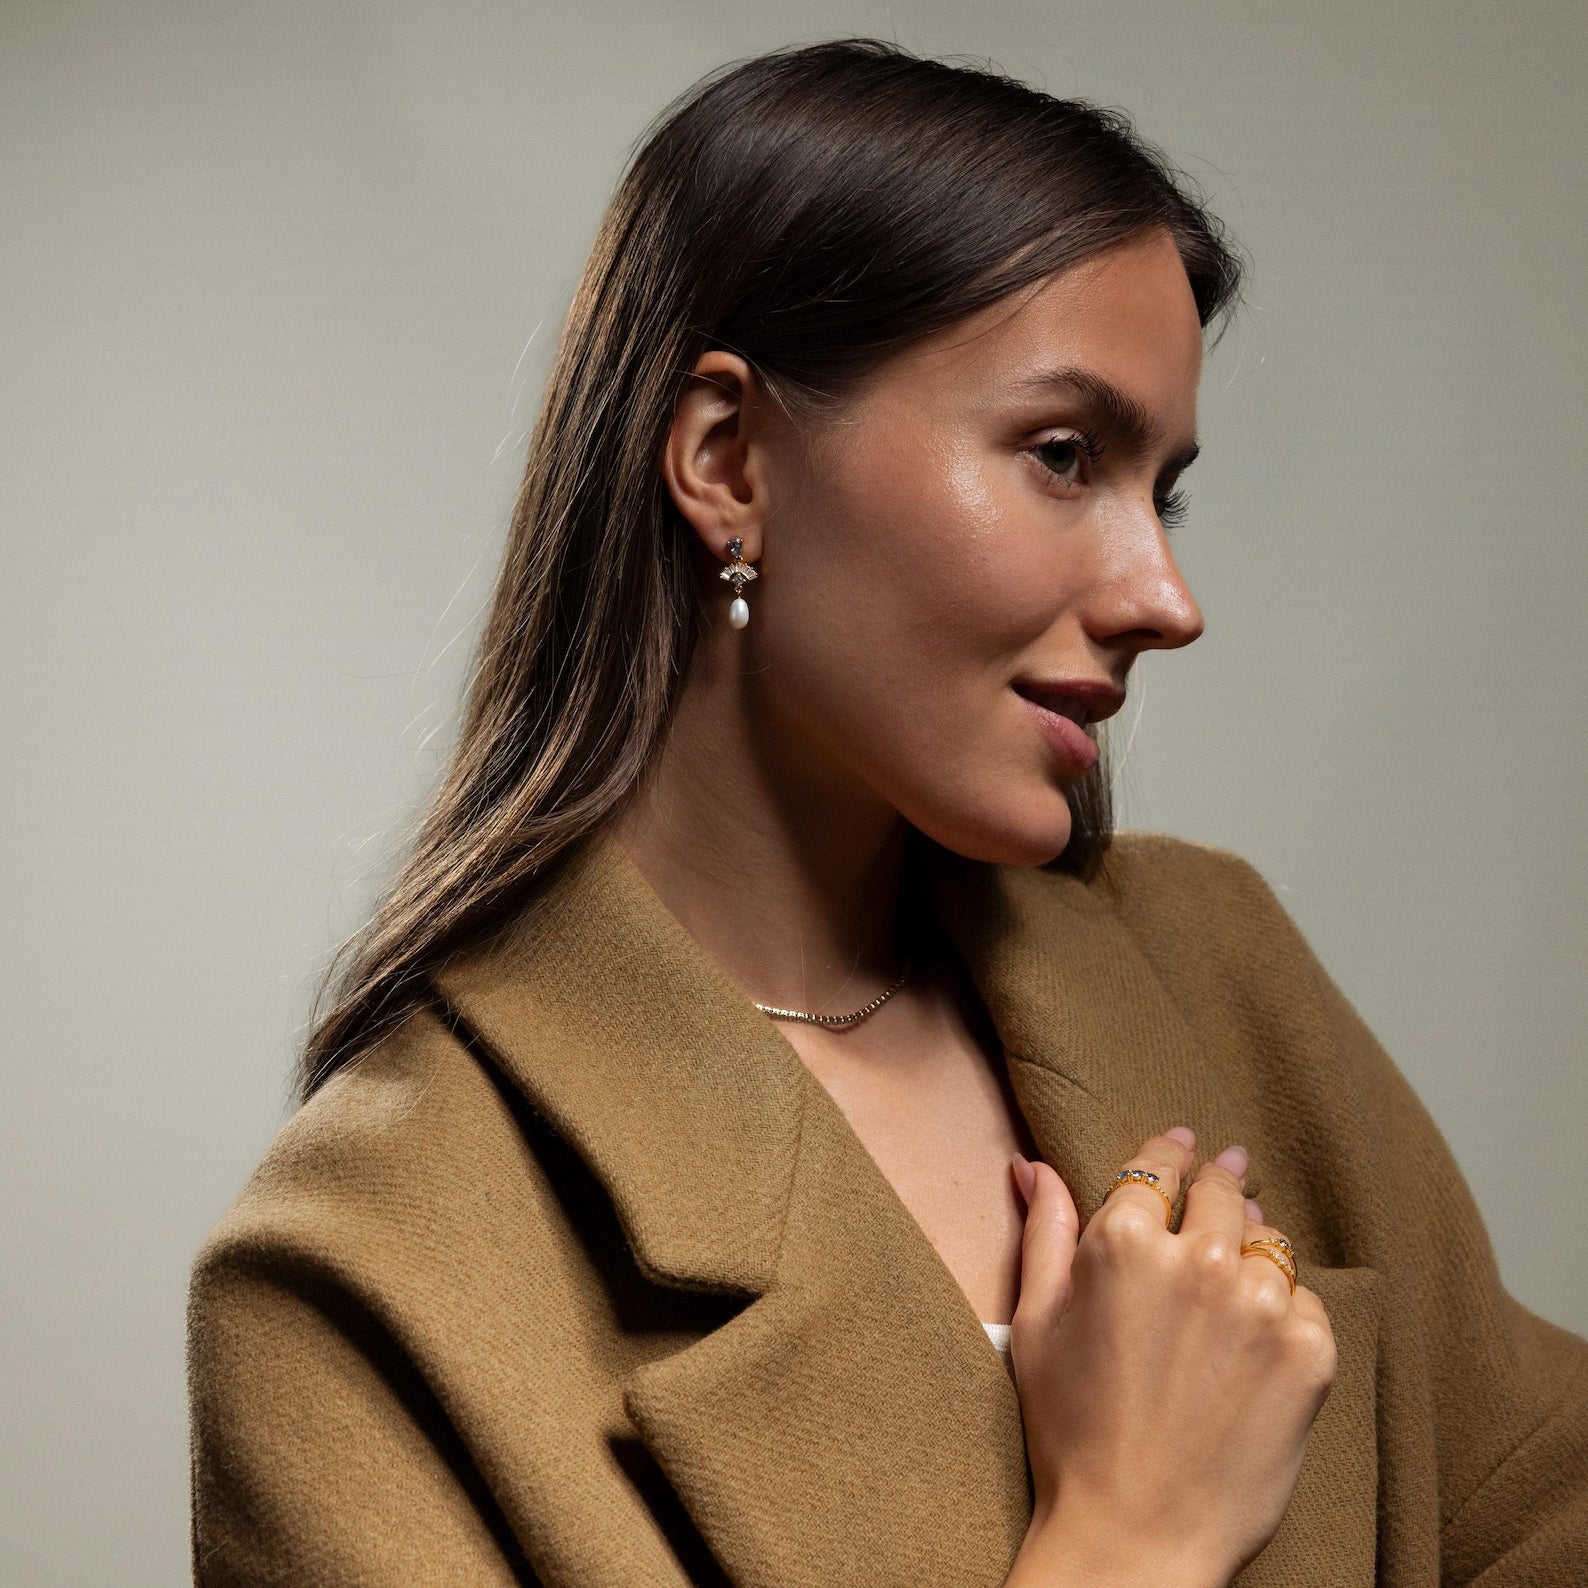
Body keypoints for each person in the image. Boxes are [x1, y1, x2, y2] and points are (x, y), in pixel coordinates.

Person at [184, 38, 1588, 1588]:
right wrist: (1135, 1538)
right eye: (1064, 456)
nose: (1165, 599)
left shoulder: (1220, 973)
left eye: (1162, 489)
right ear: (729, 461)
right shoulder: (361, 1269)